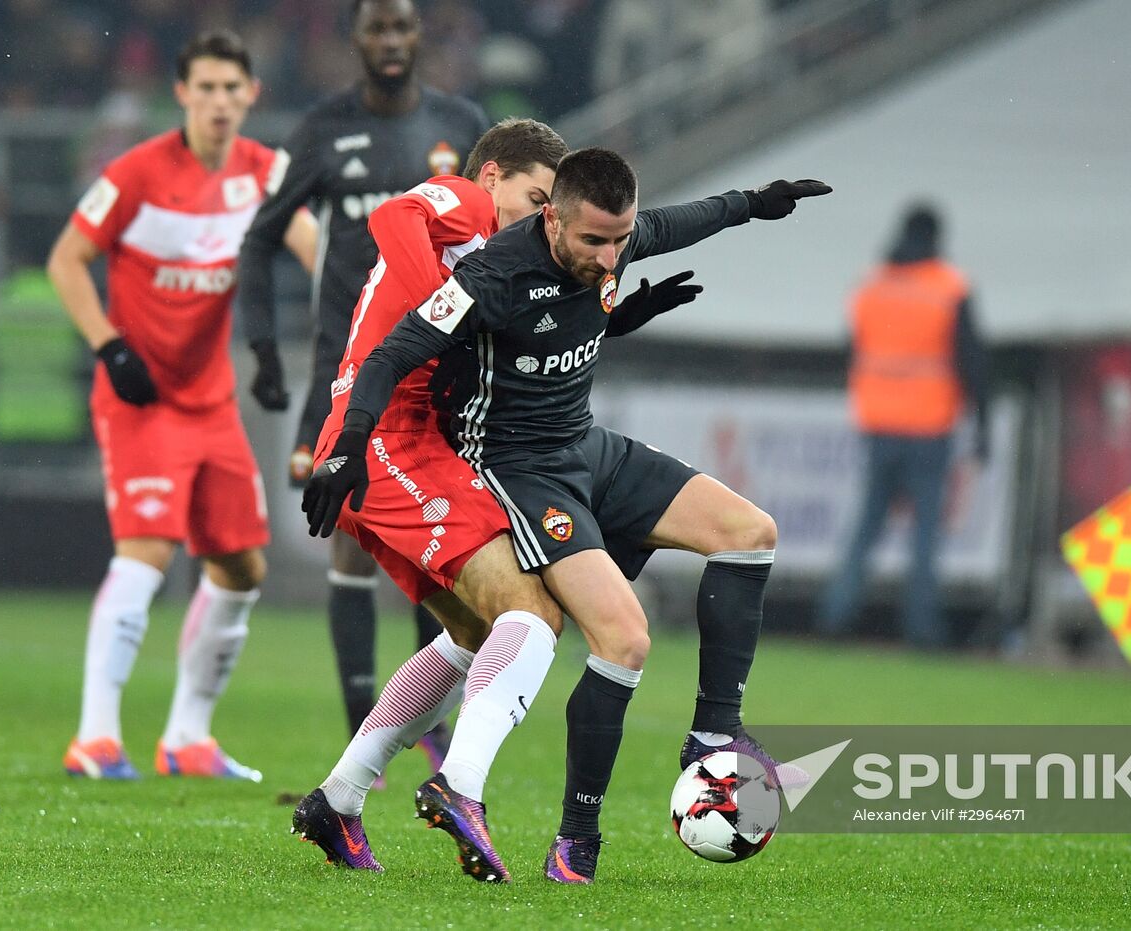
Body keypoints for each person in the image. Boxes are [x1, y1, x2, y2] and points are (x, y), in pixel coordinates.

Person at [304, 148, 829, 883]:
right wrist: (349, 442)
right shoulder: (490, 274)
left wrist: (751, 201)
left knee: (750, 533)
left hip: (587, 446)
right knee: (612, 634)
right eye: (594, 242)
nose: (610, 255)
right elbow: (395, 353)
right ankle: (570, 838)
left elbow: (677, 223)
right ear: (551, 216)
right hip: (521, 470)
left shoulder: (611, 238)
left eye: (620, 239)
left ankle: (712, 734)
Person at [289, 117, 577, 881]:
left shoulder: (508, 254)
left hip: (389, 443)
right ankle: (461, 787)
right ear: (492, 178)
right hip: (387, 438)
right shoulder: (464, 202)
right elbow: (392, 216)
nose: (540, 215)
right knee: (533, 610)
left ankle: (339, 798)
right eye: (534, 196)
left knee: (482, 631)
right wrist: (437, 303)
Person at [48, 30, 318, 781]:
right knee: (147, 553)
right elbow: (65, 260)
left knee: (241, 567)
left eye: (233, 89)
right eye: (206, 88)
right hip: (139, 400)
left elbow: (313, 248)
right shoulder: (136, 173)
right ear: (183, 93)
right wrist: (109, 345)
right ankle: (95, 736)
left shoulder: (264, 172)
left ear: (251, 94)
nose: (221, 102)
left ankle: (188, 737)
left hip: (212, 404)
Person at [236, 0, 489, 758]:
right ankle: (364, 730)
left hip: (440, 371)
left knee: (434, 543)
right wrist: (265, 354)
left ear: (419, 37)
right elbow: (259, 240)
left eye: (401, 28)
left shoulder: (459, 123)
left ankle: (430, 727)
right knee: (350, 539)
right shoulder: (320, 128)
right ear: (354, 39)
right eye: (376, 28)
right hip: (347, 365)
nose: (389, 41)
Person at [817, 205, 990, 648]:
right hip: (930, 424)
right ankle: (922, 629)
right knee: (925, 532)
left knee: (867, 525)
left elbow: (851, 347)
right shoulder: (950, 287)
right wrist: (983, 426)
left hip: (877, 421)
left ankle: (835, 616)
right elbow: (973, 362)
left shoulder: (872, 284)